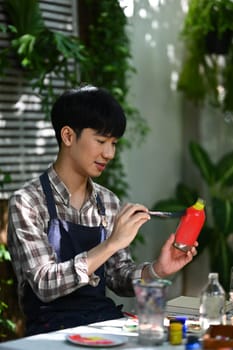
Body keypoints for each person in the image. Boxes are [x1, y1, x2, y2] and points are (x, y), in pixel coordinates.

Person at [7, 85, 197, 336]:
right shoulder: (27, 202)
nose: (109, 153)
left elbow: (119, 277)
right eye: (101, 141)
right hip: (50, 332)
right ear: (67, 136)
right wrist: (110, 244)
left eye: (114, 143)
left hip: (101, 324)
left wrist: (157, 270)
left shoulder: (107, 201)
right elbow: (45, 283)